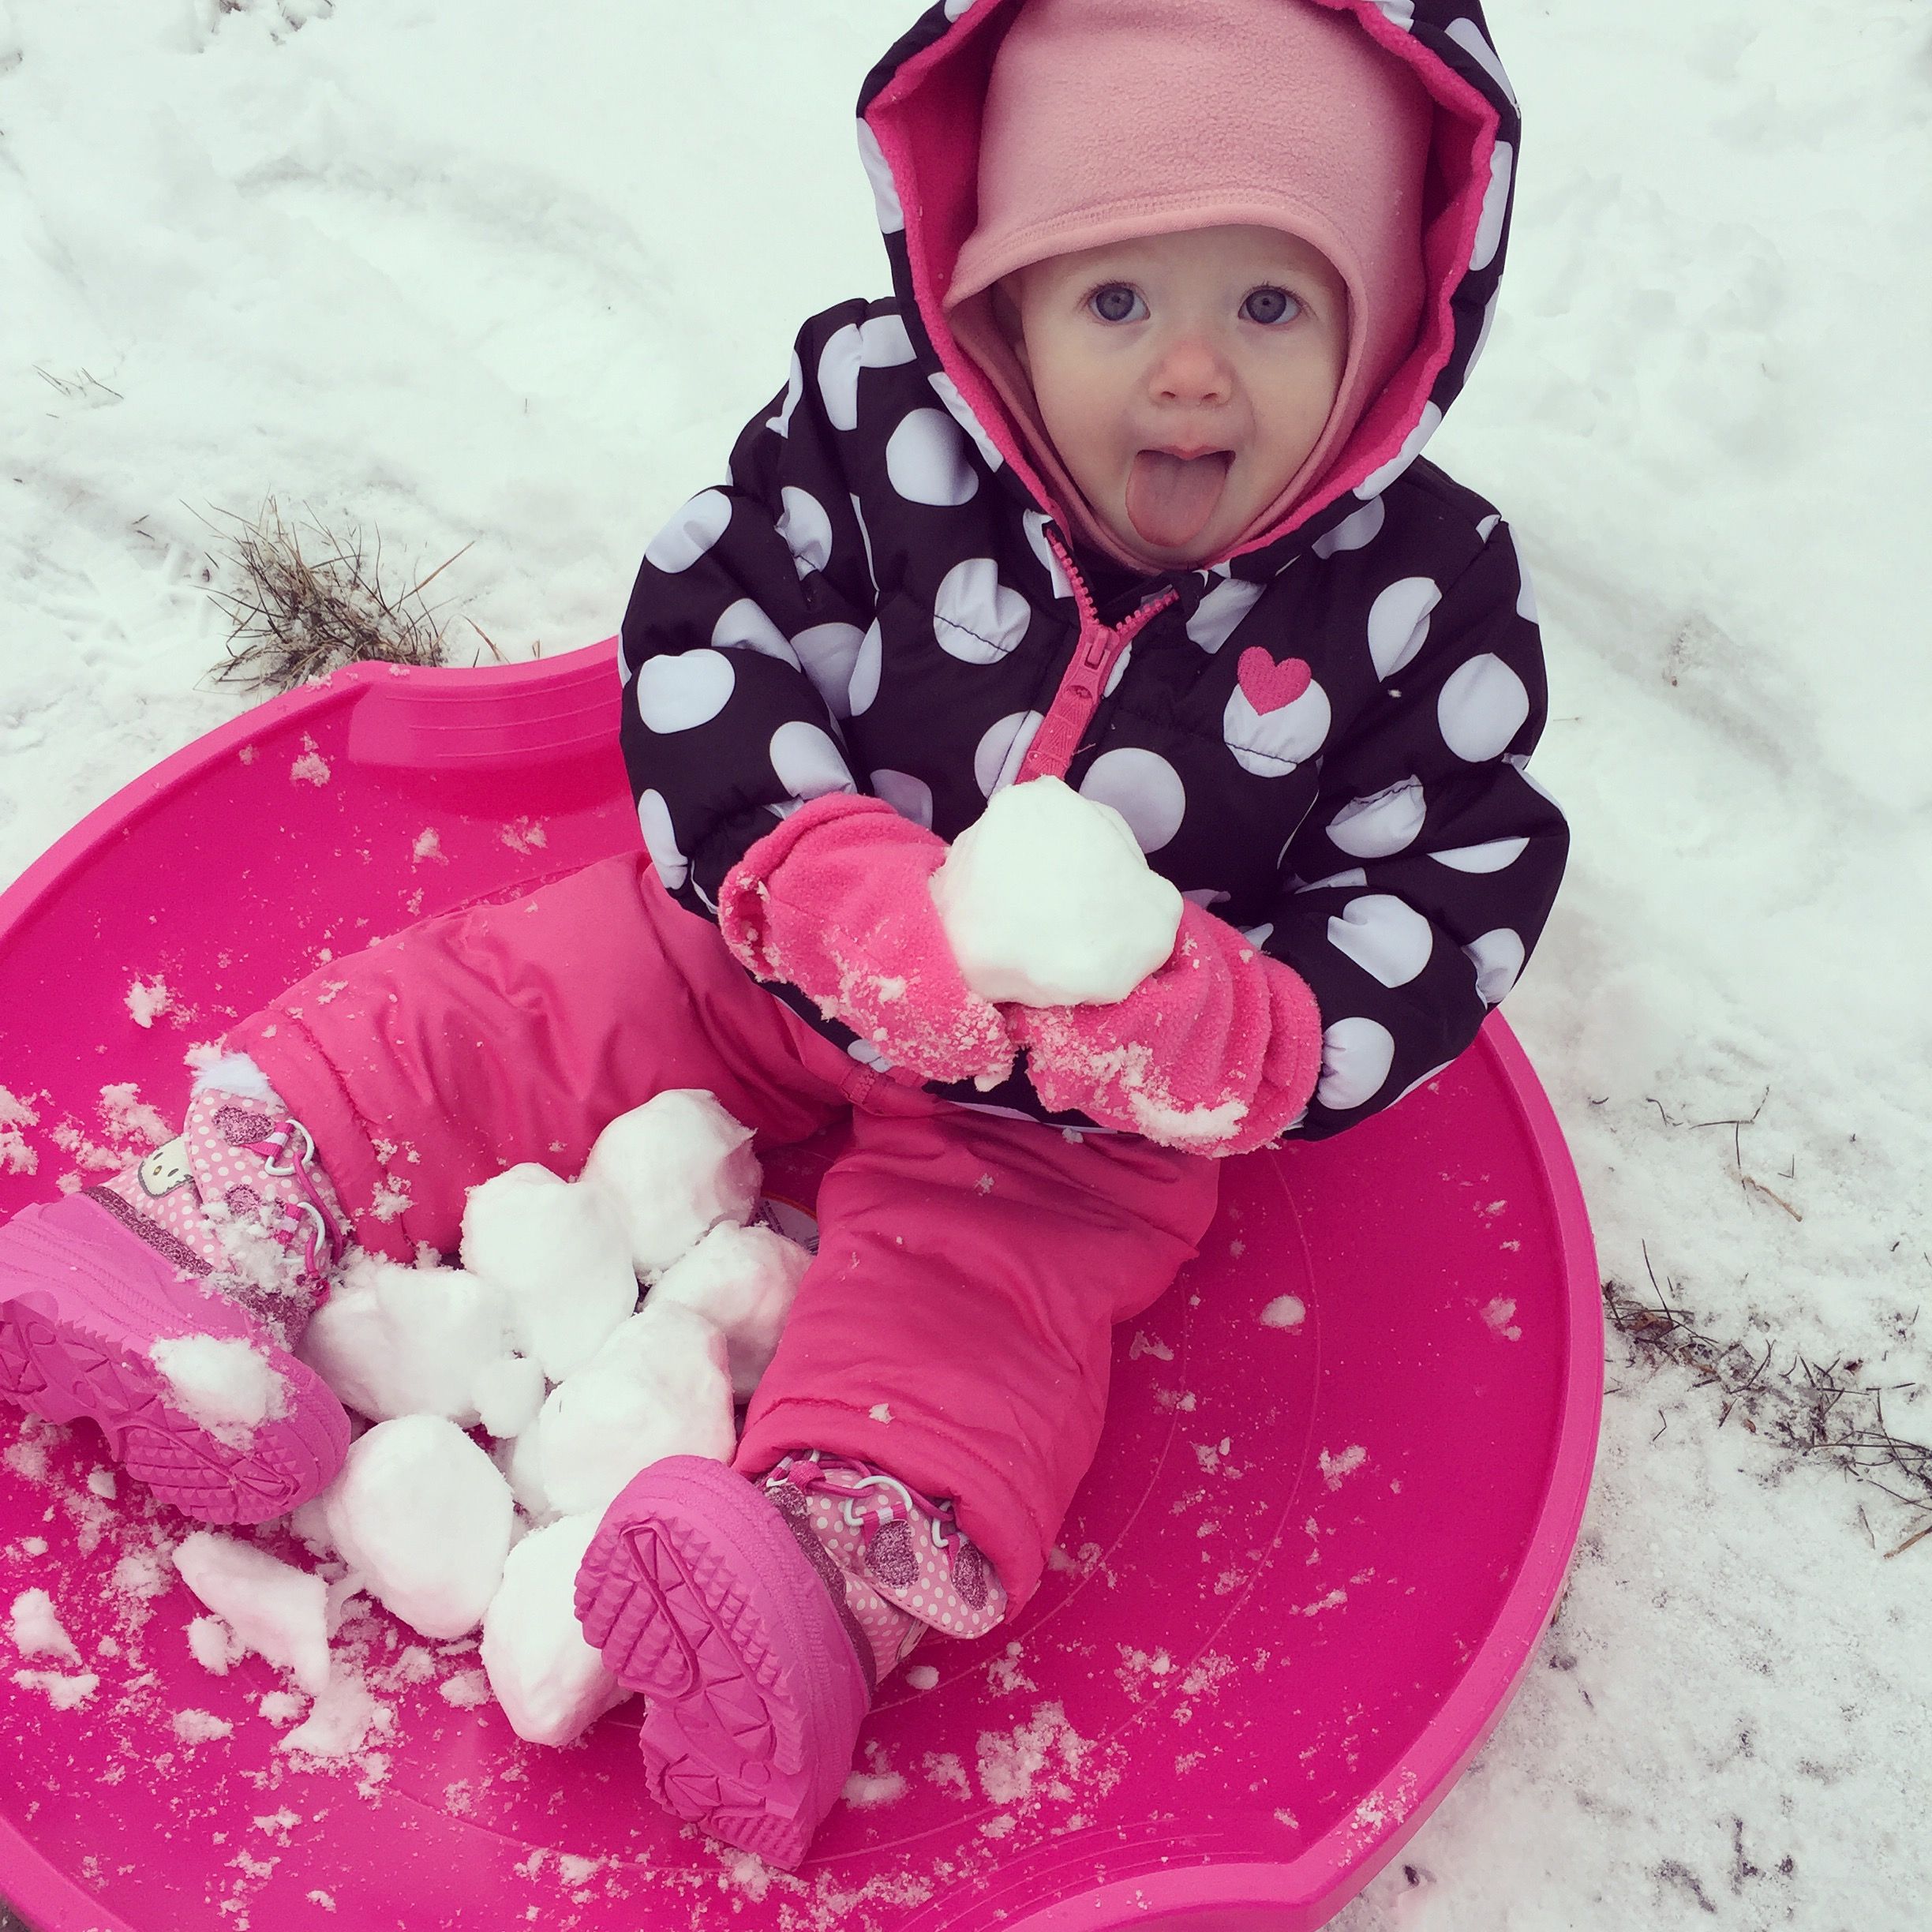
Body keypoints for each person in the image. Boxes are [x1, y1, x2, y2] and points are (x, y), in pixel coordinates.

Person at [0, 0, 1564, 1870]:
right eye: (1117, 298)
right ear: (1001, 295)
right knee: (518, 1002)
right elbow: (708, 637)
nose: (1192, 374)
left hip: (1079, 1119)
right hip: (766, 950)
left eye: (1274, 303)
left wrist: (1238, 1030)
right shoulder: (882, 432)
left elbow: (1449, 888)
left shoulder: (1415, 607)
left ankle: (814, 1574)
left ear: (1391, 332)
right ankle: (216, 1234)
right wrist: (809, 868)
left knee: (990, 1315)